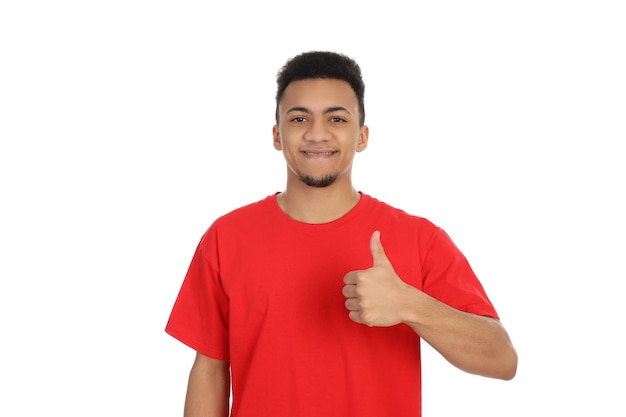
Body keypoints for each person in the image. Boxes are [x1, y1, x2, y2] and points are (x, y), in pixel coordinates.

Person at [165, 50, 518, 417]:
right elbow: (209, 369)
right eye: (299, 117)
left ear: (362, 136)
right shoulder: (226, 238)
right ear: (276, 135)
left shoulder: (419, 238)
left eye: (336, 118)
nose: (317, 134)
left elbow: (502, 359)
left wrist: (410, 305)